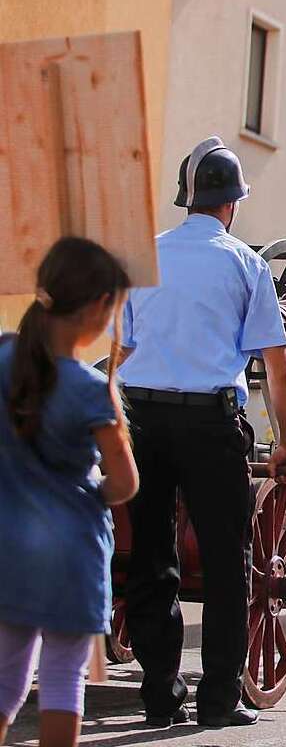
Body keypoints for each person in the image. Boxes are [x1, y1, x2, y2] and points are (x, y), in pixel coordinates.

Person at [119, 137, 286, 729]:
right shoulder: (245, 265)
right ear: (232, 204)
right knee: (228, 565)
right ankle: (219, 701)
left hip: (141, 420)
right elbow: (280, 369)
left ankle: (159, 695)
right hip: (210, 422)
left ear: (187, 199)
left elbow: (116, 355)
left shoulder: (142, 255)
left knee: (151, 558)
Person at [0, 237, 138, 747]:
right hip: (71, 558)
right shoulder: (89, 389)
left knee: (5, 678)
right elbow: (125, 483)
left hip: (7, 548)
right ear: (101, 306)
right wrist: (93, 493)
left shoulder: (3, 357)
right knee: (61, 678)